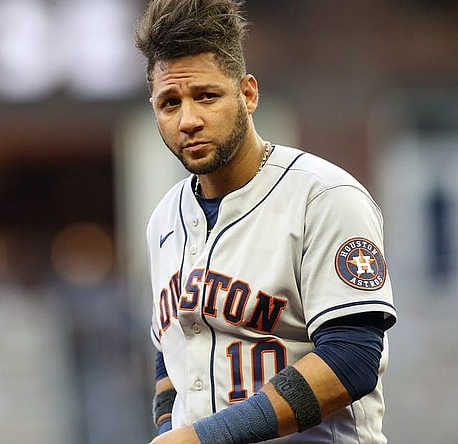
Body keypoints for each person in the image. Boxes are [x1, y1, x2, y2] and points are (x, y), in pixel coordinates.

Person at [134, 1, 397, 442]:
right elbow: (172, 353)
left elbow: (352, 358)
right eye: (169, 103)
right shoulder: (163, 219)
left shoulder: (324, 196)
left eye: (206, 96)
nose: (189, 120)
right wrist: (170, 430)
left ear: (248, 93)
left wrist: (204, 438)